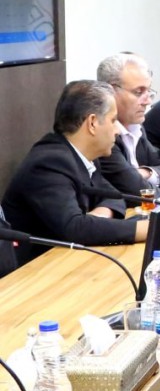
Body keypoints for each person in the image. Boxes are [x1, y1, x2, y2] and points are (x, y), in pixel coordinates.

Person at [1, 81, 148, 265]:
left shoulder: (85, 155)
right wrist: (143, 229)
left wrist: (95, 218)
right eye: (113, 120)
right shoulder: (49, 163)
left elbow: (114, 197)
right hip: (34, 271)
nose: (118, 130)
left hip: (67, 260)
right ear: (92, 123)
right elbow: (74, 228)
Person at [96, 53, 160, 202]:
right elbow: (137, 192)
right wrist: (154, 184)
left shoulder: (136, 127)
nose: (147, 101)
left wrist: (146, 173)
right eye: (138, 92)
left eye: (148, 91)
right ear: (111, 92)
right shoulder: (102, 134)